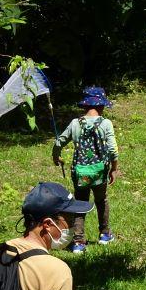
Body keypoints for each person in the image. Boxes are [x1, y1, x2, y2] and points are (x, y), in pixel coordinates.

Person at [52, 86, 119, 254]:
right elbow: (112, 150)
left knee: (80, 203)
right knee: (101, 200)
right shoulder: (106, 123)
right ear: (102, 106)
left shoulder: (75, 124)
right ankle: (104, 234)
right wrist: (114, 169)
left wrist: (56, 156)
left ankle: (78, 242)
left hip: (80, 172)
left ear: (84, 106)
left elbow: (60, 141)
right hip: (99, 171)